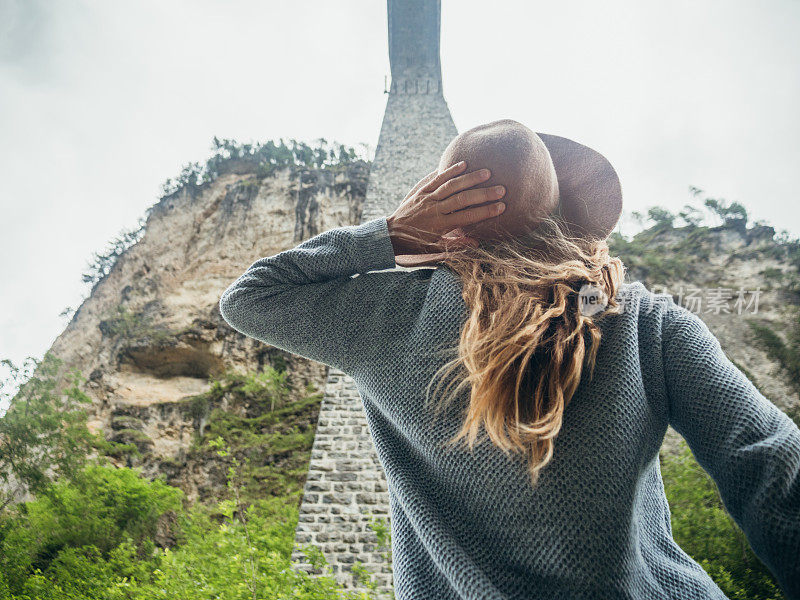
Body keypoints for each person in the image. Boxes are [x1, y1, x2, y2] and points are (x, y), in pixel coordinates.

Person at [218, 119, 800, 599]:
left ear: (446, 219)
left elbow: (249, 297)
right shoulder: (643, 318)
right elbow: (769, 460)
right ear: (563, 216)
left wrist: (392, 234)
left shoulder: (383, 317)